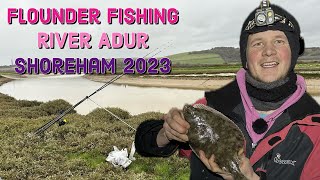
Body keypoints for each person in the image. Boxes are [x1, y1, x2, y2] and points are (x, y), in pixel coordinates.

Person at [135, 1, 320, 179]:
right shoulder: (210, 106)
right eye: (257, 43)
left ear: (293, 52)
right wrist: (166, 133)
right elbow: (145, 143)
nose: (268, 51)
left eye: (279, 41)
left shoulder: (314, 128)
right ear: (245, 57)